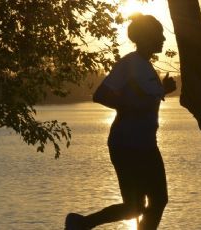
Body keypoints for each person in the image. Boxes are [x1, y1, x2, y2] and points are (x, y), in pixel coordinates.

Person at [65, 14, 176, 230]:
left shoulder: (145, 65)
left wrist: (163, 90)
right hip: (126, 144)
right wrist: (132, 107)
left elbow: (144, 98)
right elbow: (101, 94)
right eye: (159, 35)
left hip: (146, 144)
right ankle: (80, 223)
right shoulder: (129, 64)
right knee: (136, 207)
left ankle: (81, 224)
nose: (163, 39)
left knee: (156, 201)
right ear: (146, 37)